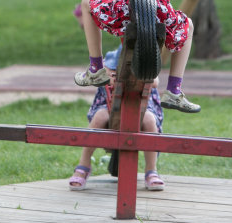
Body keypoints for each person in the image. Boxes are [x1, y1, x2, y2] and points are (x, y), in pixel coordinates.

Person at [68, 46, 165, 191]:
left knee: (149, 121)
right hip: (109, 105)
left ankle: (151, 170)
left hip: (141, 107)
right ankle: (84, 164)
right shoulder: (109, 65)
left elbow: (155, 81)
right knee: (100, 117)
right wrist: (111, 77)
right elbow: (101, 74)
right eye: (114, 69)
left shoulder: (145, 66)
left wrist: (142, 78)